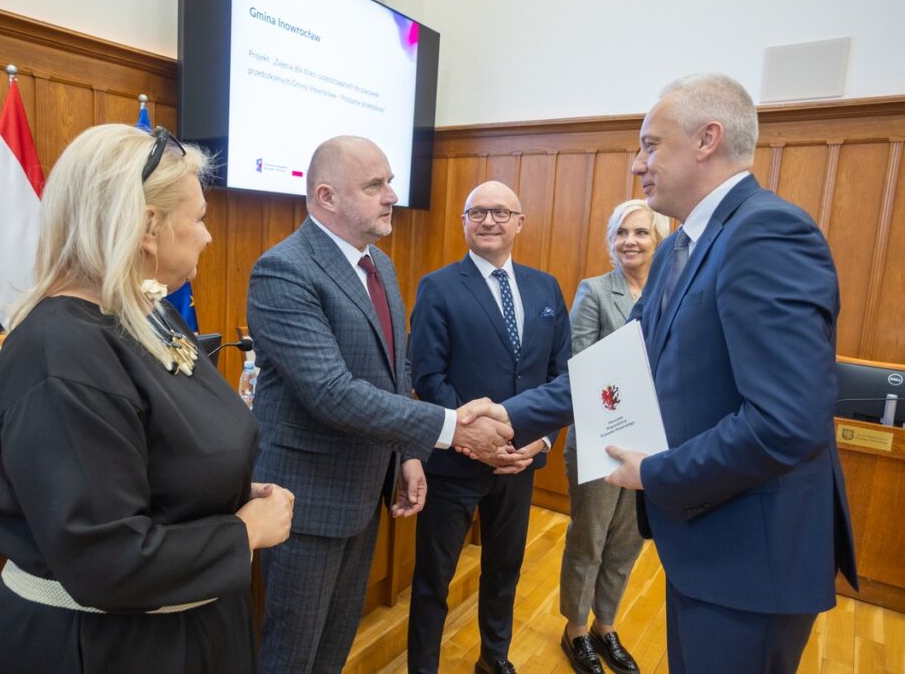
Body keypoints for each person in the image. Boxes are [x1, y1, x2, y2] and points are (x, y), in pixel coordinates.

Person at [0, 124, 295, 674]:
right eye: (197, 219)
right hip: (102, 648)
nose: (207, 236)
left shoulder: (150, 316)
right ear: (149, 228)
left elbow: (162, 449)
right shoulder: (60, 354)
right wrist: (246, 530)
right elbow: (106, 557)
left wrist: (219, 491)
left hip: (186, 633)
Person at [603, 74, 857, 673]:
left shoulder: (767, 232)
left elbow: (786, 423)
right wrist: (508, 415)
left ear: (707, 139)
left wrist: (658, 473)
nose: (638, 164)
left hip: (753, 562)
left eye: (650, 145)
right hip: (703, 545)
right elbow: (623, 362)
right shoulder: (678, 247)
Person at [246, 135, 513, 673]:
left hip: (366, 494)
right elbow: (331, 392)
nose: (393, 194)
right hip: (305, 503)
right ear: (326, 197)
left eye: (390, 181)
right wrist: (450, 428)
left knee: (333, 648)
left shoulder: (380, 266)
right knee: (291, 655)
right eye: (375, 185)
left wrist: (410, 454)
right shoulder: (283, 270)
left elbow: (398, 373)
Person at [407, 181, 572, 674]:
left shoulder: (546, 288)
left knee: (505, 569)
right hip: (453, 465)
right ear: (464, 223)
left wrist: (539, 440)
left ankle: (493, 658)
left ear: (520, 223)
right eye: (477, 212)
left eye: (501, 212)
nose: (489, 220)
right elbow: (427, 376)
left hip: (518, 465)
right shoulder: (438, 286)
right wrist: (472, 439)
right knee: (433, 580)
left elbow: (561, 375)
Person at [558, 199, 669, 674]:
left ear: (658, 242)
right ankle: (576, 630)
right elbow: (581, 362)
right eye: (622, 233)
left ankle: (606, 624)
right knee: (589, 539)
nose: (630, 241)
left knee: (628, 540)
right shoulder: (594, 291)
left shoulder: (671, 292)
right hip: (602, 438)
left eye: (641, 233)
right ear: (611, 241)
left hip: (652, 444)